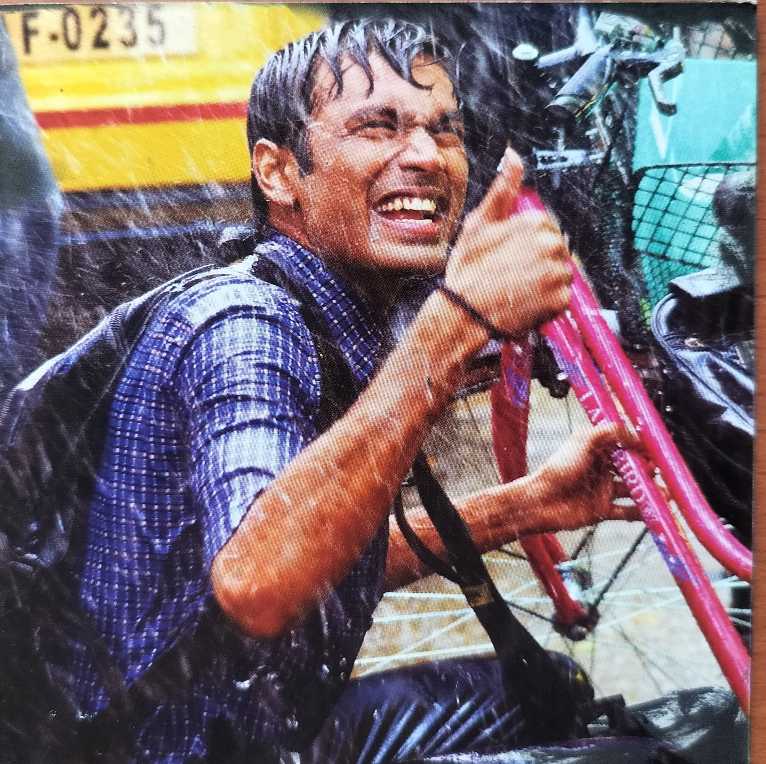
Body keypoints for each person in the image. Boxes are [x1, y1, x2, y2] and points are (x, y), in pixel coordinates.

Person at [57, 19, 639, 762]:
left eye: (444, 130)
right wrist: (456, 323)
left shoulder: (320, 309)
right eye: (378, 127)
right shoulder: (245, 326)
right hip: (179, 747)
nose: (426, 156)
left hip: (258, 730)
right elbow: (260, 582)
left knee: (552, 691)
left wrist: (526, 504)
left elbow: (325, 554)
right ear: (278, 173)